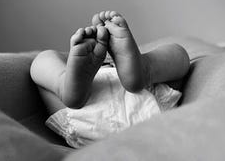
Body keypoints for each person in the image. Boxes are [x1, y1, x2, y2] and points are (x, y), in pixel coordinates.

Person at [30, 11, 190, 148]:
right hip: (149, 105)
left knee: (43, 60)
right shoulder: (124, 67)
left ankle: (64, 84)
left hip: (85, 120)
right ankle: (145, 68)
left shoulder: (85, 70)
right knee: (178, 54)